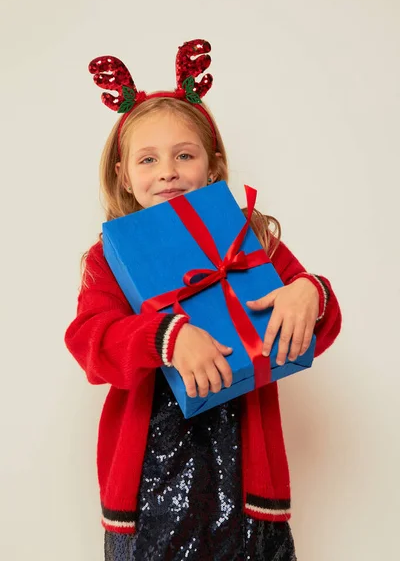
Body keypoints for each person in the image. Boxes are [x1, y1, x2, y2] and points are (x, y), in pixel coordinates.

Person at [64, 40, 342, 561]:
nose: (167, 171)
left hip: (247, 489)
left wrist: (311, 293)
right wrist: (166, 337)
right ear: (124, 175)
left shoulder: (251, 238)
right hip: (149, 490)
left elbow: (320, 326)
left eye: (184, 155)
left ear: (212, 167)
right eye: (148, 159)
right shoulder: (109, 258)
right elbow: (90, 344)